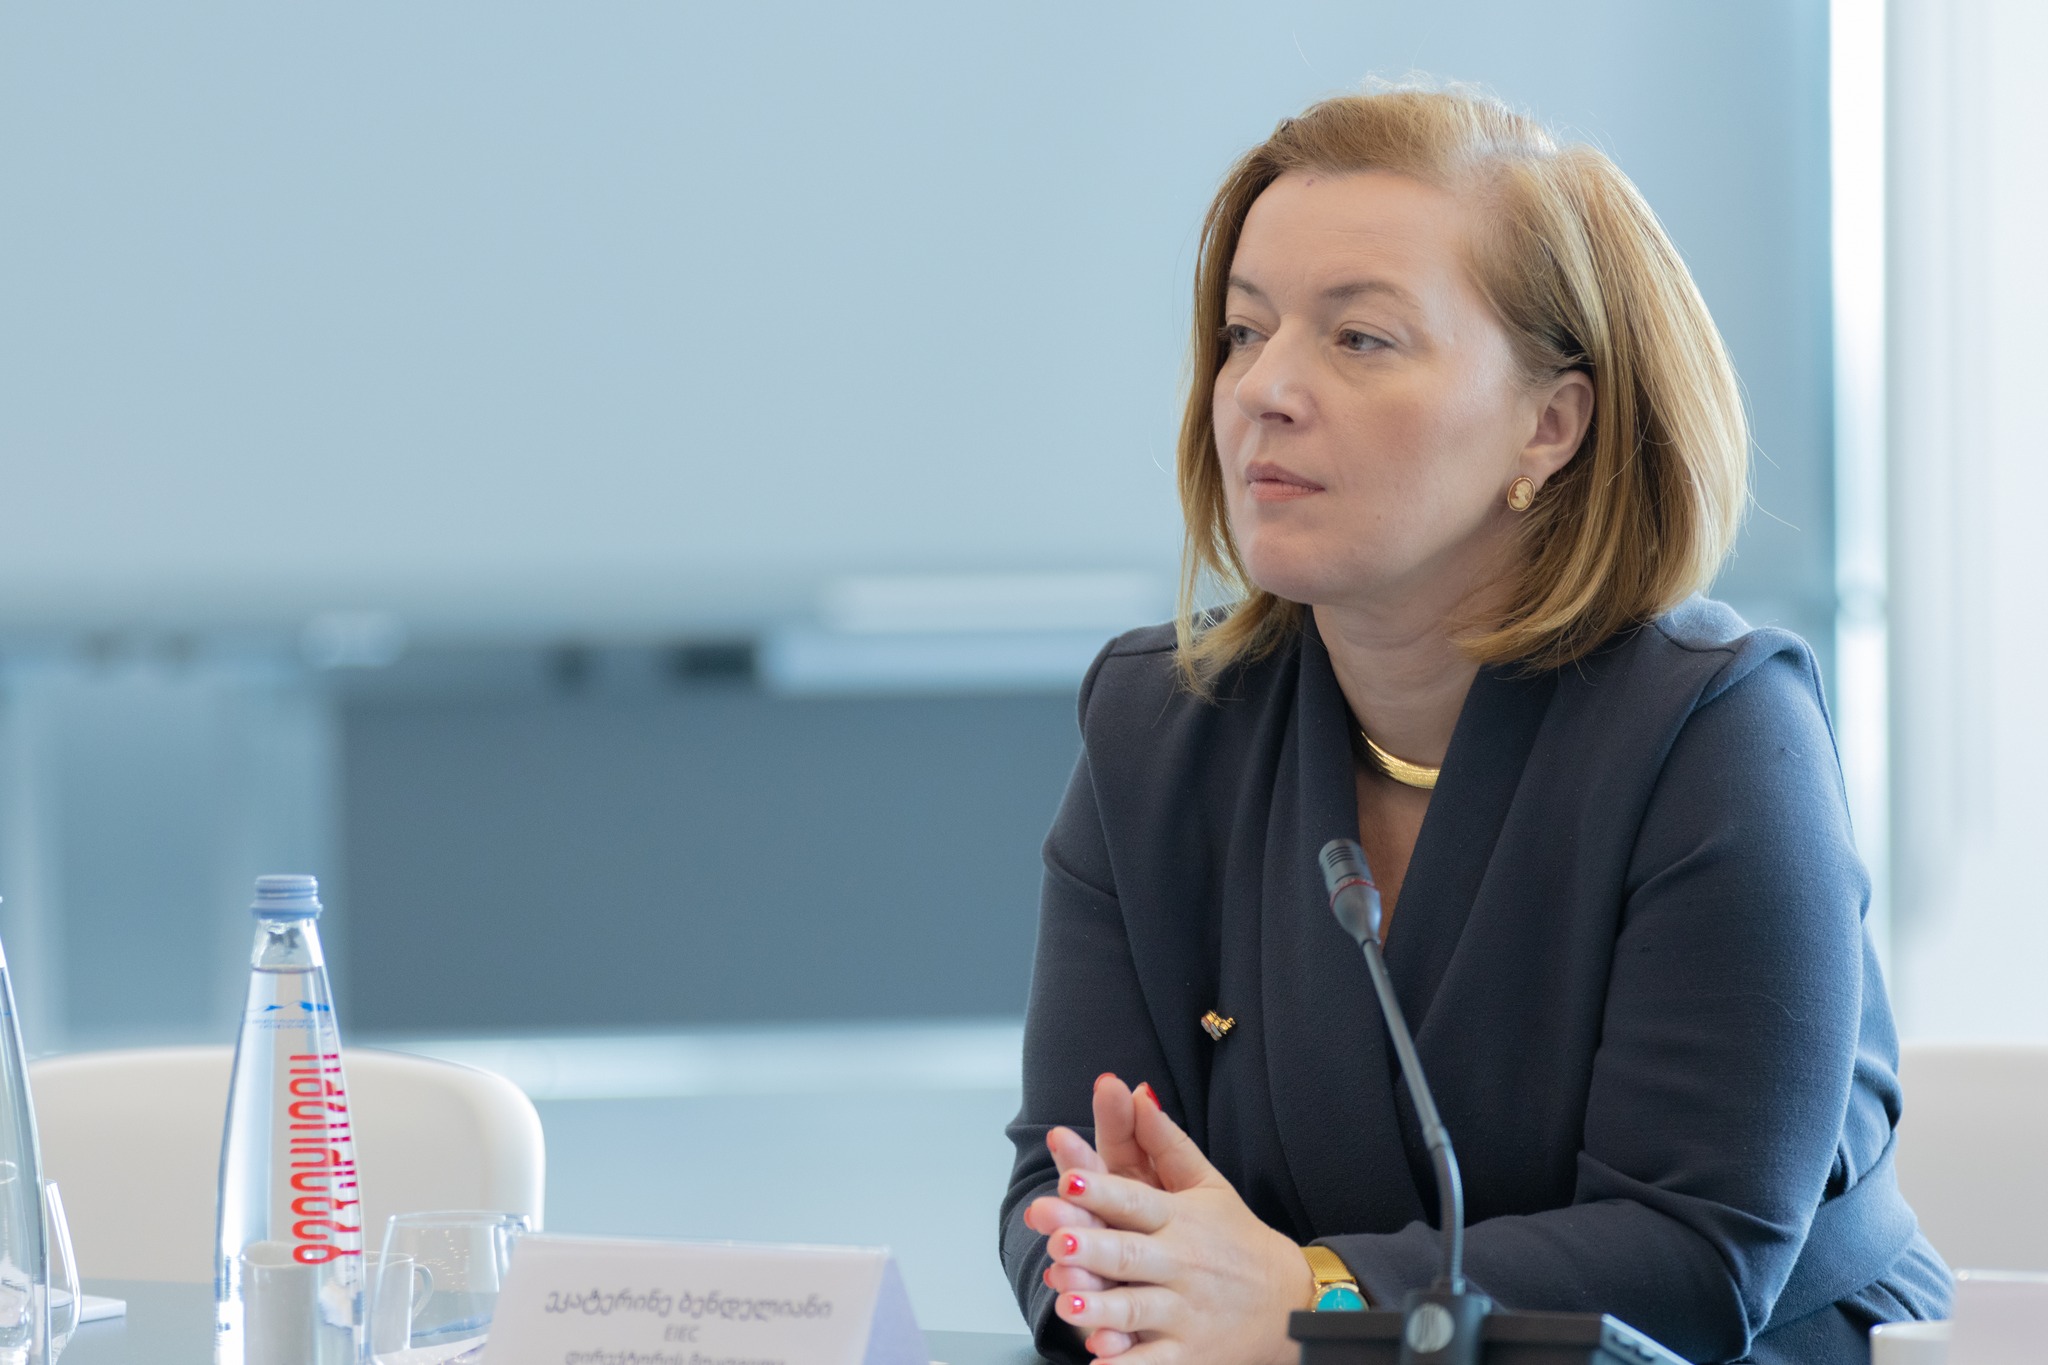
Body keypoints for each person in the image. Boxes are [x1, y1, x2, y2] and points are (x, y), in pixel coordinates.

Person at [997, 86, 1950, 1365]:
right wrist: (1127, 1278)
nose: (1261, 389)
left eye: (1360, 339)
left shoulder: (1716, 730)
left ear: (1547, 425)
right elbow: (1062, 1182)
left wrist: (1309, 1299)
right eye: (1242, 331)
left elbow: (1694, 1252)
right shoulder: (1157, 727)